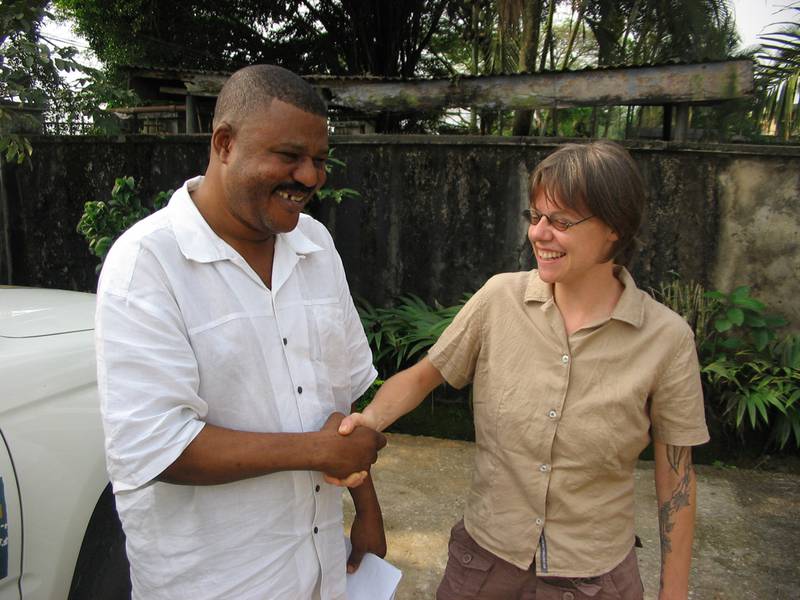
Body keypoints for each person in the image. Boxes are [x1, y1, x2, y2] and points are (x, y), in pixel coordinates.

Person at [332, 141, 709, 600]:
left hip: (594, 578)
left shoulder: (666, 338)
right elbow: (423, 375)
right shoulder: (499, 299)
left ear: (614, 228)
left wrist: (675, 593)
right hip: (484, 565)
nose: (540, 234)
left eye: (562, 221)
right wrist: (366, 424)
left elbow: (677, 481)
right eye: (536, 217)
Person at [95, 64, 387, 600]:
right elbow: (157, 448)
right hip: (216, 582)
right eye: (290, 156)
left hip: (322, 568)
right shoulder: (147, 265)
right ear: (224, 143)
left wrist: (367, 509)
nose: (310, 177)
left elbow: (339, 413)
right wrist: (315, 451)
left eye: (319, 160)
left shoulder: (316, 246)